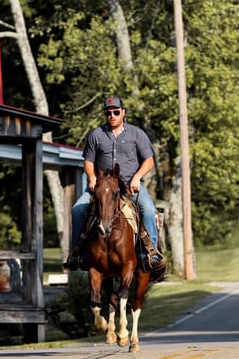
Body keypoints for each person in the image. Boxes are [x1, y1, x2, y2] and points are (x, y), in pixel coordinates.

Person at [65, 95, 166, 273]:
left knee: (149, 210)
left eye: (116, 112)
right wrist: (92, 177)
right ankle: (78, 254)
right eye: (108, 113)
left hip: (129, 186)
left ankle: (150, 254)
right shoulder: (96, 135)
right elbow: (88, 162)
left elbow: (149, 161)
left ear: (123, 112)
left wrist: (137, 177)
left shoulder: (137, 134)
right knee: (77, 209)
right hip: (103, 188)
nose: (112, 115)